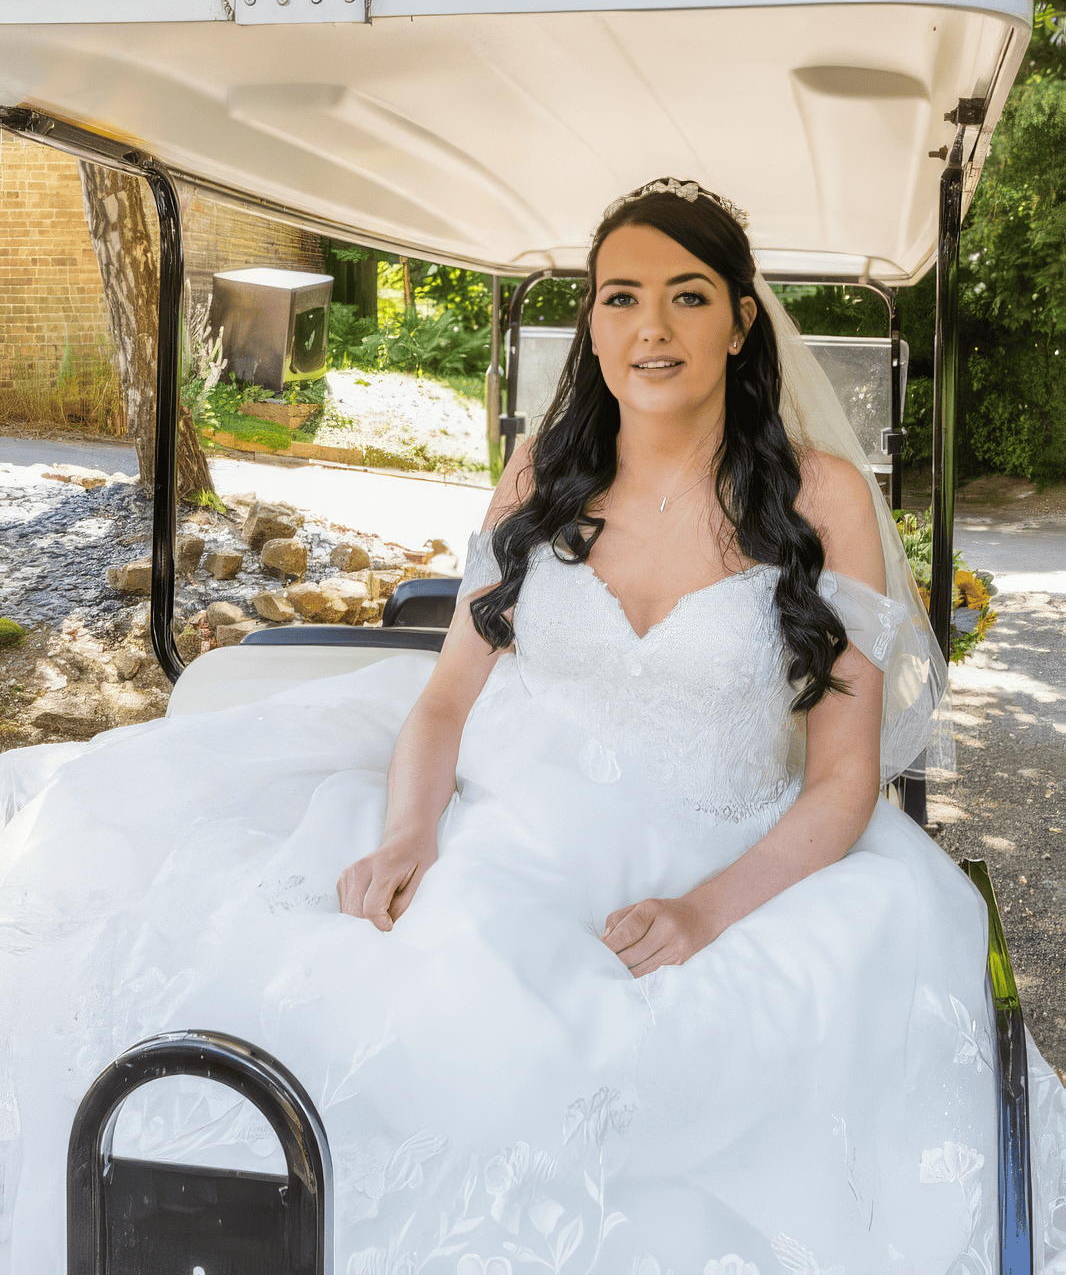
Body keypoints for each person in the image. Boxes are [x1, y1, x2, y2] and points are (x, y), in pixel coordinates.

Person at [0, 180, 1064, 1275]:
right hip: (509, 833)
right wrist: (410, 836)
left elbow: (842, 783)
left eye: (688, 297)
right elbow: (447, 701)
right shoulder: (541, 475)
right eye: (620, 298)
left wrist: (705, 912)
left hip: (727, 860)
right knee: (360, 995)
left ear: (742, 323)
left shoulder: (822, 497)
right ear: (592, 324)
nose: (651, 327)